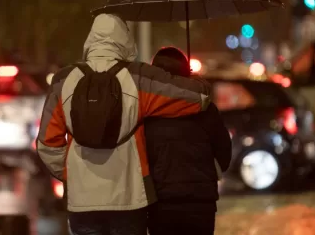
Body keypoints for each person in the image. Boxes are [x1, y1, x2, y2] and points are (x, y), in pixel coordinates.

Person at [36, 14, 212, 235]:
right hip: (129, 199)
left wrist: (71, 173)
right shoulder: (138, 77)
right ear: (125, 40)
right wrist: (198, 82)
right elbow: (196, 98)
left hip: (81, 201)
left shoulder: (63, 81)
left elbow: (47, 144)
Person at [145, 47, 232, 235]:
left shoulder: (146, 112)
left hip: (161, 203)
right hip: (200, 203)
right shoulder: (207, 109)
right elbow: (224, 156)